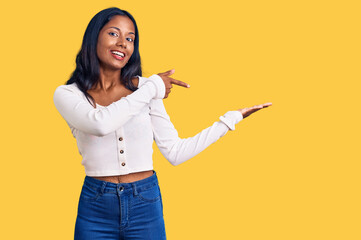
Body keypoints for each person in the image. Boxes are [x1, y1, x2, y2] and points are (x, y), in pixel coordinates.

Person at [53, 7, 272, 240]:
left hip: (144, 203)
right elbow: (99, 124)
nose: (123, 43)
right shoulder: (68, 94)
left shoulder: (147, 90)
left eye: (130, 39)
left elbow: (175, 152)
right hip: (95, 207)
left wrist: (229, 120)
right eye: (113, 34)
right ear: (94, 37)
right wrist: (152, 87)